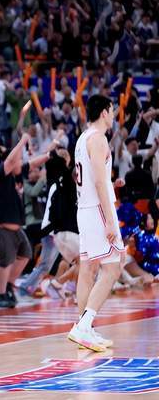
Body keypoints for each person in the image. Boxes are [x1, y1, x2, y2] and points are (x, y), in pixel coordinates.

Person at [67, 94, 125, 352]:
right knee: (114, 267)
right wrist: (110, 221)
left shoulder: (82, 138)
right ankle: (84, 326)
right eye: (112, 111)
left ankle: (84, 328)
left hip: (84, 208)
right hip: (98, 210)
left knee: (87, 270)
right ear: (104, 112)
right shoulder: (99, 138)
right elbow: (100, 182)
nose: (113, 116)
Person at [0, 130, 49, 308]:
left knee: (25, 254)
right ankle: (0, 294)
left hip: (15, 229)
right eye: (18, 160)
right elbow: (12, 160)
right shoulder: (1, 173)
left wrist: (50, 155)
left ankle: (8, 286)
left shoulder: (18, 173)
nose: (21, 163)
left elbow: (34, 163)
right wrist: (22, 141)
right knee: (4, 261)